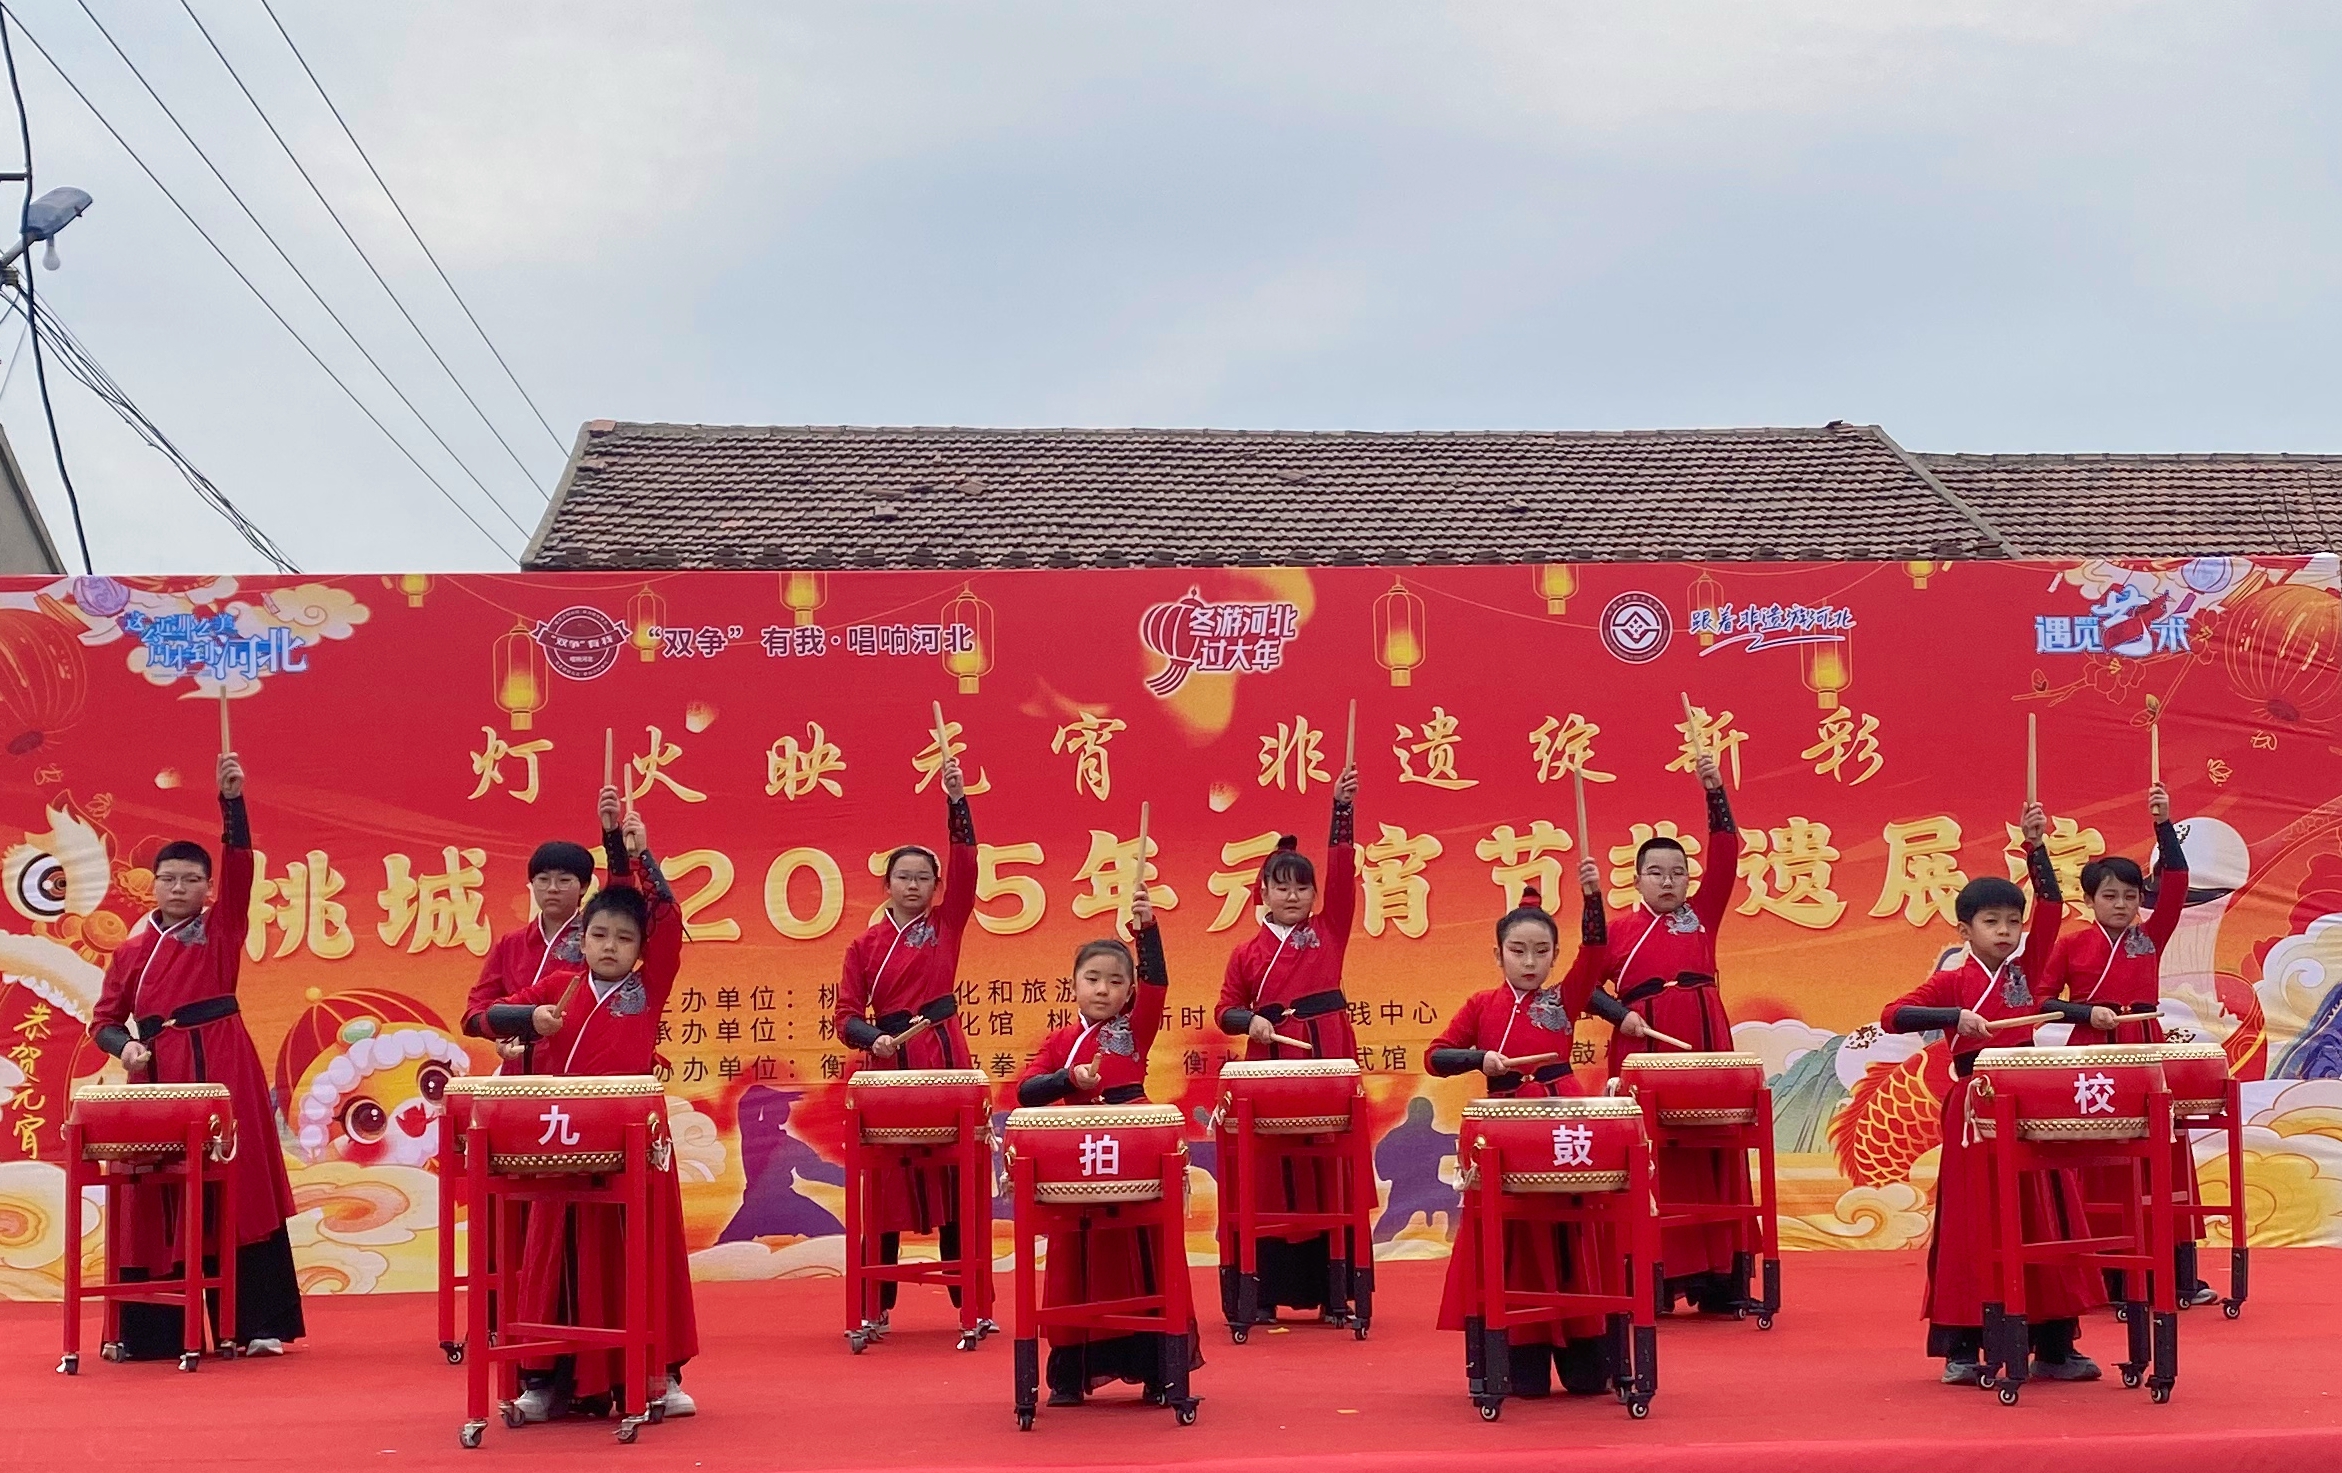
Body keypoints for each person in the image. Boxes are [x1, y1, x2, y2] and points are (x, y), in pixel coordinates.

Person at [484, 791, 700, 1421]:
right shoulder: (558, 985)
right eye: (599, 935)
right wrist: (528, 1021)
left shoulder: (649, 986)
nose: (610, 946)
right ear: (582, 940)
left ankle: (656, 1372)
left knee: (641, 1253)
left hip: (634, 1137)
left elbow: (666, 915)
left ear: (640, 949)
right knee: (554, 1255)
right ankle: (545, 1381)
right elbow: (482, 1014)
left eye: (624, 938)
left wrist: (634, 850)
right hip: (562, 1137)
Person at [1879, 801, 2104, 1385]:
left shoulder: (2027, 971)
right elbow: (1891, 1015)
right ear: (1965, 930)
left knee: (2045, 1217)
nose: (2005, 932)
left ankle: (2053, 1346)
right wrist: (1953, 1016)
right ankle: (1963, 1347)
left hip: (2028, 1104)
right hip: (1973, 1108)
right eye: (1991, 922)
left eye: (2011, 922)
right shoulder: (1952, 980)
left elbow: (2050, 906)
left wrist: (2035, 846)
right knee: (1974, 1222)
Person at [89, 749, 304, 1358]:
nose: (178, 887)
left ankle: (255, 1324)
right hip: (159, 1074)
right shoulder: (131, 951)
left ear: (208, 888)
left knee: (239, 1185)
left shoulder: (220, 928)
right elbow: (104, 1022)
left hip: (224, 1064)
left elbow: (241, 868)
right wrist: (127, 1048)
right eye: (168, 878)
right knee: (158, 1195)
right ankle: (154, 1333)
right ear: (152, 885)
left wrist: (232, 803)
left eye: (190, 879)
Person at [1569, 750, 1746, 1314]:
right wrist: (1620, 1015)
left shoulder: (1702, 915)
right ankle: (1658, 1277)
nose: (1668, 882)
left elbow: (1727, 854)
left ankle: (1720, 1279)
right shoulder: (1618, 930)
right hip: (1642, 1043)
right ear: (1637, 878)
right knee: (1655, 1156)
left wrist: (1714, 791)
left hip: (1704, 1038)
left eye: (1678, 873)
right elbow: (1579, 986)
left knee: (1713, 1148)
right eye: (1656, 873)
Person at [1428, 865, 1613, 1398]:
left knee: (1569, 1231)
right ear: (1498, 955)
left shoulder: (1565, 1000)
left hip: (1559, 1119)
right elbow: (1436, 1056)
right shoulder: (1481, 1005)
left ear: (1554, 957)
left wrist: (1592, 897)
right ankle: (1520, 1351)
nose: (1529, 962)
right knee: (1511, 1239)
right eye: (1517, 951)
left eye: (1540, 952)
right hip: (1505, 1129)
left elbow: (1596, 954)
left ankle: (1584, 1350)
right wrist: (1480, 1059)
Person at [1014, 886, 1201, 1405]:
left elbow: (1158, 983)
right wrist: (1069, 1079)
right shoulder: (1060, 1042)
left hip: (1135, 1149)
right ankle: (1071, 1376)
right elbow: (1026, 1091)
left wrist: (1148, 929)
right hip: (1079, 1156)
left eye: (1116, 981)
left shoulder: (1135, 1030)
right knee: (1077, 1260)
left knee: (1145, 1255)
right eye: (1092, 979)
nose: (1103, 989)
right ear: (1074, 985)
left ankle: (1157, 1371)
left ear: (1129, 991)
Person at [2038, 780, 2216, 1305]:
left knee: (2163, 1157)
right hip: (2092, 1053)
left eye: (2130, 896)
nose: (2120, 904)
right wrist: (2084, 1011)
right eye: (2109, 896)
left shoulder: (2148, 938)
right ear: (2089, 900)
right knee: (2102, 1163)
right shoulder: (2071, 944)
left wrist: (2163, 823)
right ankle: (2107, 1277)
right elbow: (2042, 1000)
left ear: (2141, 901)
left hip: (2144, 1046)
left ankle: (2176, 1277)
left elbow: (2177, 883)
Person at [834, 754, 980, 1332]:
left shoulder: (947, 924)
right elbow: (846, 1018)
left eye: (924, 878)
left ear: (936, 886)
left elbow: (966, 866)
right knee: (887, 1185)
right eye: (904, 877)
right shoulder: (864, 945)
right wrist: (876, 1039)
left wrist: (956, 801)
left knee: (955, 1176)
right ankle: (876, 1306)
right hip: (890, 1065)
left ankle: (970, 1305)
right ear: (887, 884)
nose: (914, 885)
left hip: (944, 1055)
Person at [1213, 761, 1359, 1325]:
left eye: (1303, 887)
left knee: (1328, 1167)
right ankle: (1264, 1291)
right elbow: (1224, 1009)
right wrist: (1248, 1020)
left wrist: (1341, 809)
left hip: (1325, 1054)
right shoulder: (1246, 952)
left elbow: (1342, 873)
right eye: (1283, 886)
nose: (1293, 895)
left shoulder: (1329, 929)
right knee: (1272, 1174)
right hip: (1271, 1063)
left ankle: (1335, 1292)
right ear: (1265, 892)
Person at [463, 837, 599, 1073]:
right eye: (543, 880)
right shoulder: (510, 943)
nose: (552, 888)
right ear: (532, 884)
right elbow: (473, 1014)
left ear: (585, 886)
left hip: (578, 1070)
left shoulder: (596, 942)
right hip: (518, 1069)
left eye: (564, 880)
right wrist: (504, 1029)